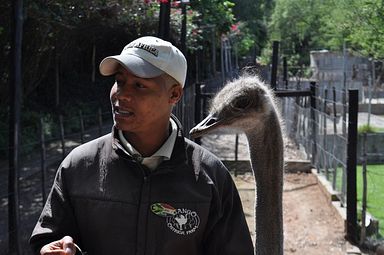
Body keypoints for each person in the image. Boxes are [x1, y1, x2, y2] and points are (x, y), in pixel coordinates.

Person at [30, 36, 253, 255]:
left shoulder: (211, 176)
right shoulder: (79, 166)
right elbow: (48, 236)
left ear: (174, 94)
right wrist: (51, 248)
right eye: (120, 81)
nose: (122, 94)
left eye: (139, 85)